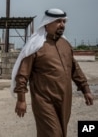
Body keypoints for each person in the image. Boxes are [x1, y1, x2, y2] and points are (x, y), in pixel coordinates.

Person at [11, 8, 94, 137]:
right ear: (47, 23)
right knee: (52, 134)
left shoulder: (65, 45)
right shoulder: (35, 46)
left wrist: (86, 89)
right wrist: (21, 99)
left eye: (64, 21)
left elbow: (75, 69)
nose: (62, 25)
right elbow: (22, 75)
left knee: (61, 133)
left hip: (65, 98)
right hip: (44, 100)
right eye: (58, 21)